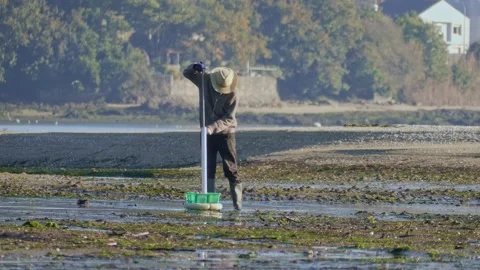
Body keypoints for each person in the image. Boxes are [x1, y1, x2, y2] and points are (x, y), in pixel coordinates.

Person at [183, 62, 242, 211]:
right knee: (208, 167)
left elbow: (229, 118)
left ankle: (238, 206)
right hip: (206, 134)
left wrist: (211, 128)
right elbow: (187, 73)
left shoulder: (233, 94)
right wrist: (194, 67)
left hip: (226, 134)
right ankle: (209, 199)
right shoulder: (205, 80)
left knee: (230, 169)